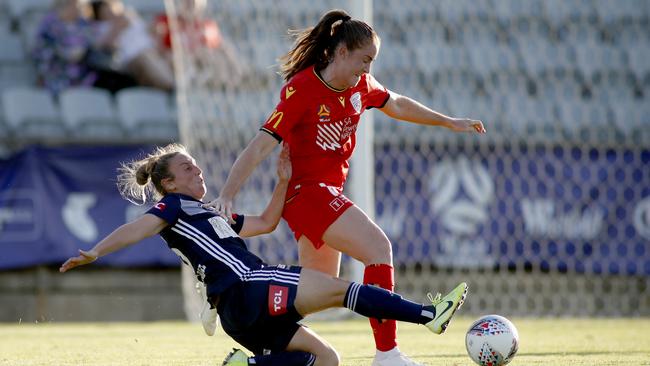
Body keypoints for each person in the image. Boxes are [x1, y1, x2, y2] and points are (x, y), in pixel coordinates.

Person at [205, 8, 485, 366]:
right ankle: (388, 355)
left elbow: (396, 103)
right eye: (364, 59)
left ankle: (244, 321)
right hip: (306, 193)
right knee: (378, 248)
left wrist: (448, 122)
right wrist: (228, 192)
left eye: (372, 62)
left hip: (327, 193)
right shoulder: (302, 89)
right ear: (340, 52)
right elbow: (262, 143)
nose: (367, 69)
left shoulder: (361, 87)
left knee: (318, 291)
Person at [59, 143, 468, 366]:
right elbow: (137, 228)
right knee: (342, 290)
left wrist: (282, 181)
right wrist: (96, 251)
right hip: (250, 286)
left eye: (197, 166)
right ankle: (428, 316)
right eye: (187, 170)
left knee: (327, 360)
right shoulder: (172, 208)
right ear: (167, 183)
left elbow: (268, 222)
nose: (198, 172)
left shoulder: (208, 212)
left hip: (238, 314)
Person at [32, 0, 136, 95]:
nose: (82, 9)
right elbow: (53, 53)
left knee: (127, 81)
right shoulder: (51, 23)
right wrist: (83, 51)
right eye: (78, 5)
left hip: (88, 73)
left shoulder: (82, 23)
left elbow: (96, 43)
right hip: (61, 76)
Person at [90, 0, 175, 91]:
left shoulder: (131, 17)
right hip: (135, 57)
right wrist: (118, 26)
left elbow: (150, 31)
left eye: (109, 9)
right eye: (104, 11)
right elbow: (103, 45)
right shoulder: (102, 27)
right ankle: (173, 86)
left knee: (171, 57)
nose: (109, 13)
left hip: (153, 50)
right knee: (152, 63)